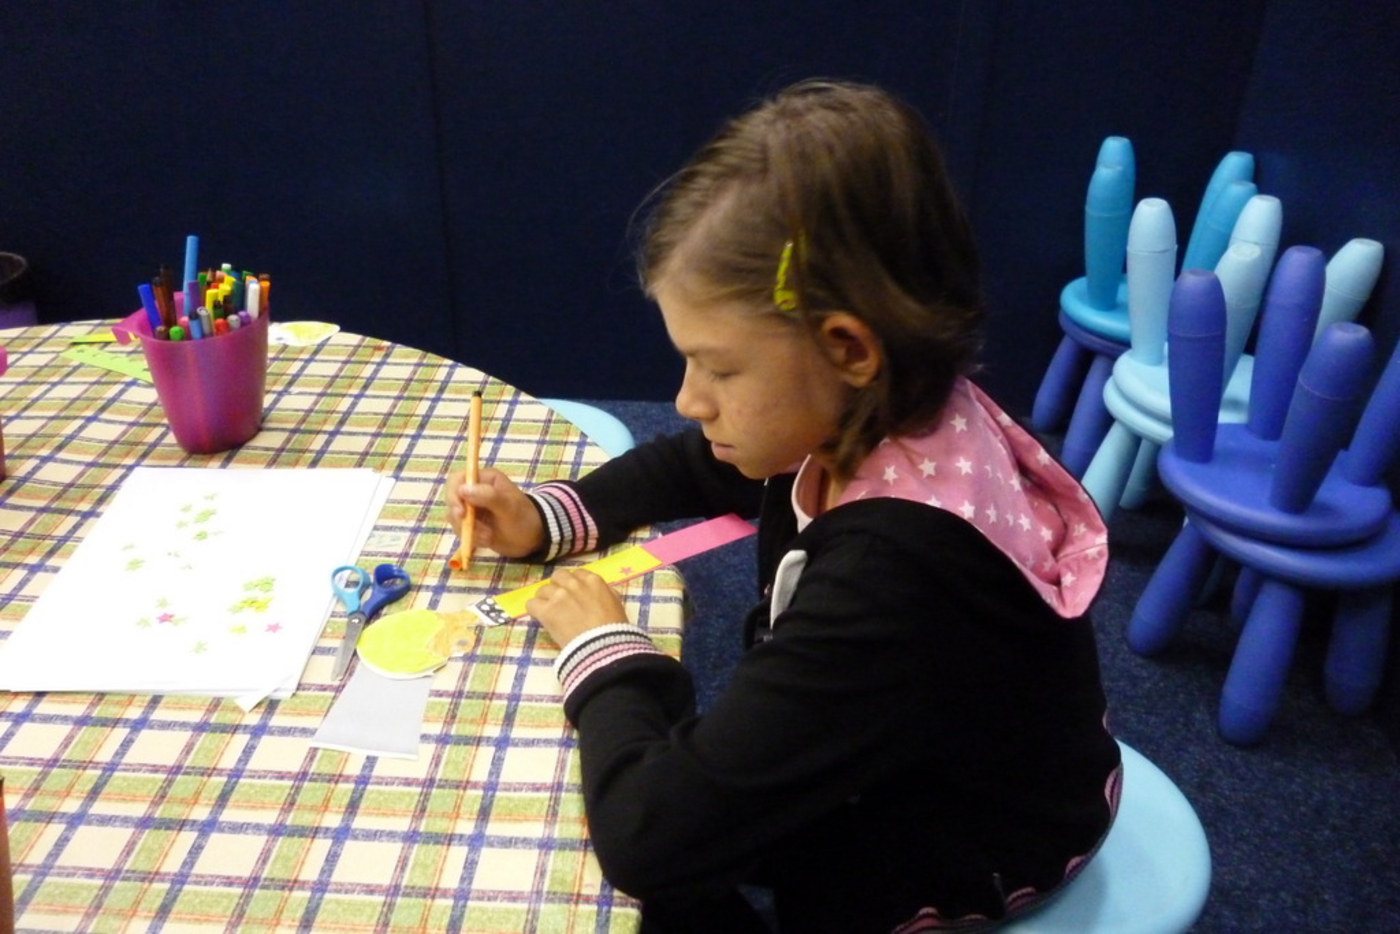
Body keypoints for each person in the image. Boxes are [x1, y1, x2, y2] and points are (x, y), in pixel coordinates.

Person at [443, 79, 1121, 933]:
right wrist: (550, 516)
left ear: (847, 349)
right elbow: (700, 463)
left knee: (646, 866)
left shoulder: (891, 579)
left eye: (720, 368)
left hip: (973, 846)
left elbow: (650, 840)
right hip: (953, 745)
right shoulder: (880, 401)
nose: (688, 399)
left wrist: (606, 651)